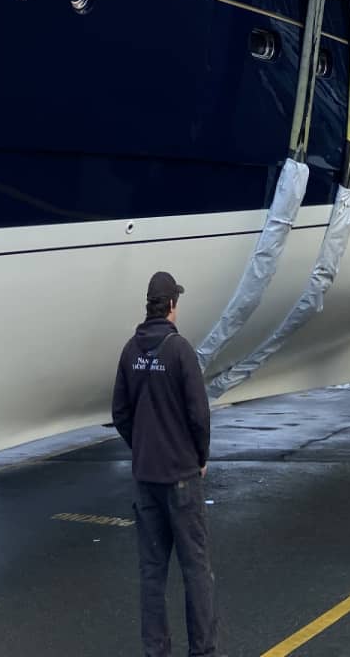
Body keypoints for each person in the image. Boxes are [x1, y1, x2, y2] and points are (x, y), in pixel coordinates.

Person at [112, 271, 219, 657]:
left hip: (146, 479)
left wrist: (141, 446)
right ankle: (202, 651)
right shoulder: (180, 350)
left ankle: (156, 650)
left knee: (153, 572)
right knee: (196, 570)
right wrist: (200, 457)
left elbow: (120, 412)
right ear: (172, 305)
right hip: (182, 479)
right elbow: (199, 415)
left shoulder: (129, 350)